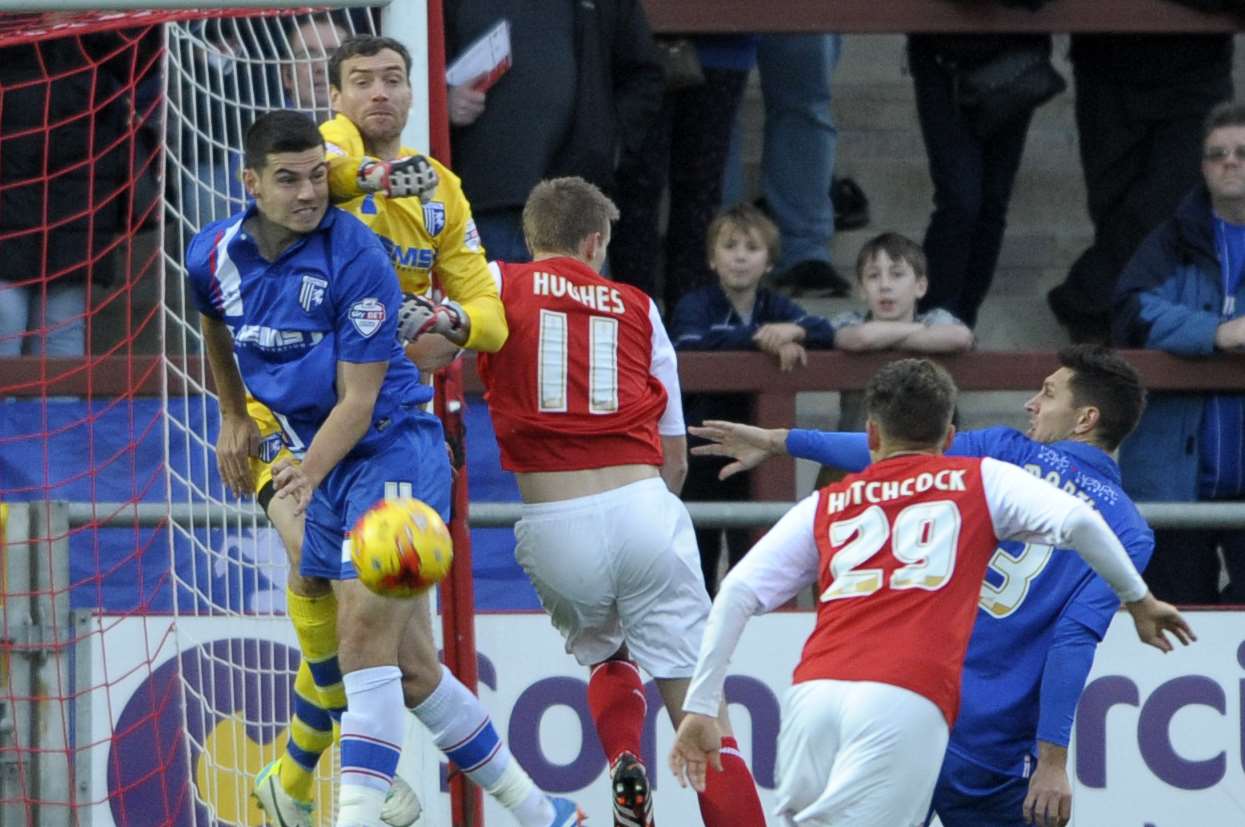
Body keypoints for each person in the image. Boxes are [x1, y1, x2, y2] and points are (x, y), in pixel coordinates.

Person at [242, 38, 578, 827]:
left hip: (389, 426)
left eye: (394, 79)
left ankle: (327, 795)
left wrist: (454, 323)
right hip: (290, 431)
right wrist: (379, 174)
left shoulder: (442, 195)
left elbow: (488, 314)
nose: (380, 93)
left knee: (366, 636)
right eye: (360, 81)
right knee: (403, 660)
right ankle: (543, 814)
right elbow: (338, 168)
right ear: (335, 96)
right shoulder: (325, 165)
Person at [668, 358, 1192, 827]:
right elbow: (1072, 641)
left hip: (892, 698)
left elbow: (896, 452)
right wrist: (1053, 761)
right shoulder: (1128, 529)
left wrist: (782, 439)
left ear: (1086, 419)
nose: (1032, 402)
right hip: (991, 743)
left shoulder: (1001, 453)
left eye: (1049, 393)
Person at [475, 177, 767, 827]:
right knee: (704, 720)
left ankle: (624, 760)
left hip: (554, 519)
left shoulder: (499, 282)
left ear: (530, 240)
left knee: (608, 654)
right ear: (594, 241)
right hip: (641, 504)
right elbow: (675, 456)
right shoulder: (637, 305)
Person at [1113, 99, 1245, 605]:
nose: (1229, 162)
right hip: (1173, 481)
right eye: (1217, 154)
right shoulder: (1171, 238)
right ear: (1203, 167)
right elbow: (1131, 312)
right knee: (1178, 617)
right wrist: (1217, 333)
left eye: (1240, 152)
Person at [670, 203, 835, 593]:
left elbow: (823, 329)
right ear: (712, 259)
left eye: (752, 248)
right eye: (730, 246)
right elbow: (689, 342)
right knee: (699, 558)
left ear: (769, 263)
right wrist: (762, 339)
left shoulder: (775, 308)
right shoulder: (696, 305)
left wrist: (792, 331)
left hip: (757, 448)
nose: (741, 256)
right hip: (702, 449)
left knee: (754, 555)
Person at [444, 0, 663, 263]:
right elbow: (406, 68)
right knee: (489, 304)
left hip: (575, 208)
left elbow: (644, 76)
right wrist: (444, 103)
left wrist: (609, 147)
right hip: (482, 207)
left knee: (577, 305)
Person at [1047, 33, 1232, 343]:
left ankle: (1088, 302)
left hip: (1194, 62)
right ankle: (1104, 321)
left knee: (1173, 202)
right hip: (1108, 60)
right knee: (1115, 207)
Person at [906, 33, 1061, 328]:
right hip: (944, 52)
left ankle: (960, 322)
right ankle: (934, 318)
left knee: (990, 203)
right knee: (960, 200)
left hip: (1015, 54)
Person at [609, 35, 756, 311]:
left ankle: (689, 319)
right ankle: (636, 317)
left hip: (723, 40)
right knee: (637, 188)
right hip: (641, 42)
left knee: (699, 189)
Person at [830, 231, 973, 432]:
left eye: (897, 275)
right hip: (860, 451)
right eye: (873, 276)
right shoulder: (851, 321)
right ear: (861, 289)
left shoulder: (935, 319)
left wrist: (884, 338)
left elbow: (960, 337)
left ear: (920, 286)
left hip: (929, 450)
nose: (885, 285)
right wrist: (920, 332)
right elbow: (861, 338)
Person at [280, 15, 346, 119]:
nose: (321, 67)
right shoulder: (269, 130)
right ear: (287, 75)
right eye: (307, 55)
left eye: (333, 55)